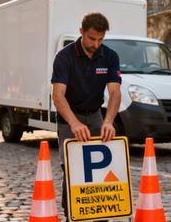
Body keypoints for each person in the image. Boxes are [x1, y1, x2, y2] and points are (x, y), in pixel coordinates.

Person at [50, 12, 122, 217]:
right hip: (69, 119)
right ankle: (71, 215)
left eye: (101, 39)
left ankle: (100, 215)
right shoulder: (64, 57)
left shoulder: (110, 56)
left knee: (102, 168)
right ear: (81, 32)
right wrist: (74, 123)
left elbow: (115, 92)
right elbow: (57, 95)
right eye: (92, 38)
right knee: (72, 170)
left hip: (96, 116)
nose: (96, 44)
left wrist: (109, 121)